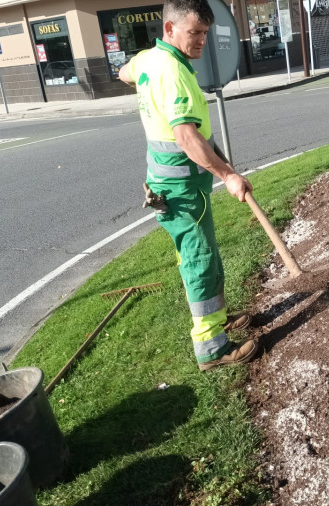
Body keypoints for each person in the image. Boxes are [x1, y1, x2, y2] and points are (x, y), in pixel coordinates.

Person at [118, 0, 258, 371]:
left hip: (176, 186)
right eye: (193, 33)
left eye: (205, 34)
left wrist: (138, 76)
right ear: (169, 29)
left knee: (203, 254)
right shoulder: (173, 72)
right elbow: (186, 137)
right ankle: (211, 347)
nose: (201, 42)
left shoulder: (150, 60)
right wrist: (227, 175)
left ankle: (219, 319)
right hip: (179, 189)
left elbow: (124, 72)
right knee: (199, 260)